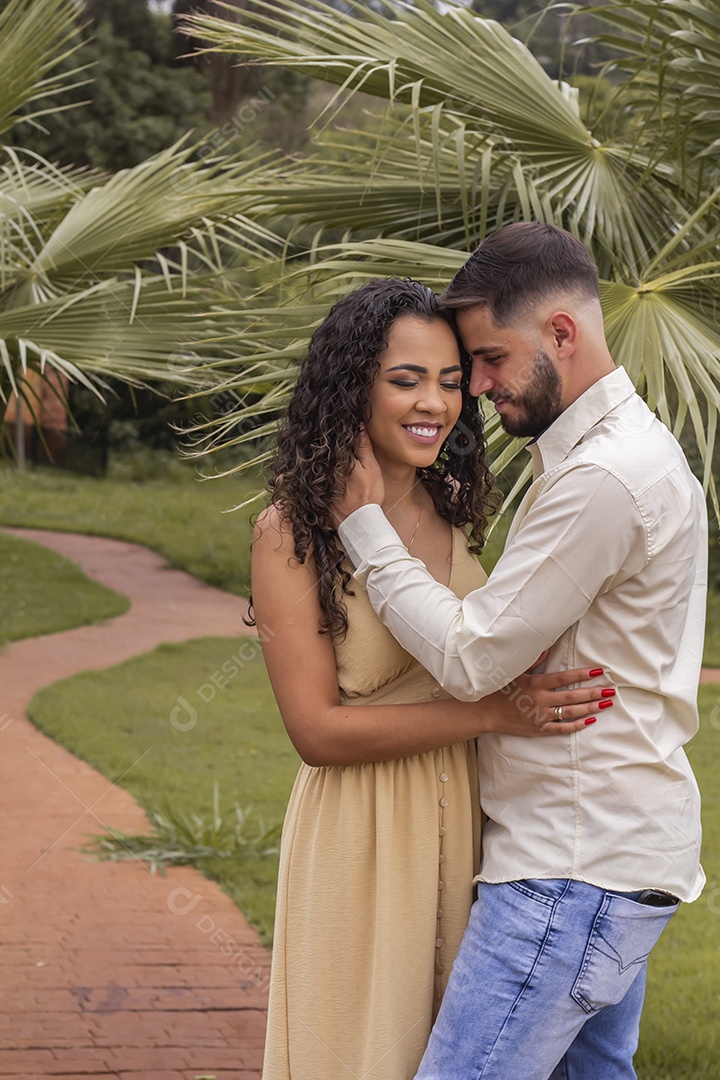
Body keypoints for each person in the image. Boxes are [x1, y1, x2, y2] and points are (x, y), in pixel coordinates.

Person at [333, 223, 707, 1080]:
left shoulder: (605, 478)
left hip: (569, 871)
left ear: (563, 334)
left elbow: (472, 656)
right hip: (606, 860)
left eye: (491, 361)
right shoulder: (612, 458)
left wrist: (364, 523)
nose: (477, 390)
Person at [251, 277, 609, 1080]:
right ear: (353, 388)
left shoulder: (452, 504)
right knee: (362, 1054)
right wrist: (490, 715)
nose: (436, 404)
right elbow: (316, 732)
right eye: (406, 380)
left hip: (471, 827)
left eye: (451, 382)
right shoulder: (290, 530)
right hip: (363, 835)